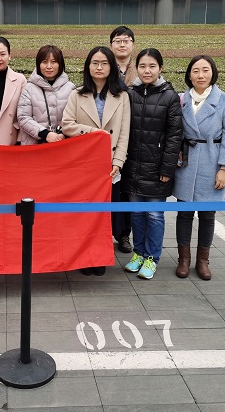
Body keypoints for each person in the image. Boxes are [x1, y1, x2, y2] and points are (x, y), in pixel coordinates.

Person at [62, 46, 131, 276]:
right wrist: (94, 133)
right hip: (84, 165)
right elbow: (67, 124)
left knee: (104, 215)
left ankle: (99, 257)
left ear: (112, 67)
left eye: (104, 63)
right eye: (95, 63)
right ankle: (84, 257)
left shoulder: (122, 96)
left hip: (109, 165)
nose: (99, 67)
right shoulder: (77, 94)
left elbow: (124, 133)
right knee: (85, 215)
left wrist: (118, 161)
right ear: (88, 66)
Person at [173, 55, 225, 280]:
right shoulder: (180, 99)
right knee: (184, 213)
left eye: (205, 70)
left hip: (212, 161)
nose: (200, 75)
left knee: (207, 214)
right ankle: (183, 260)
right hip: (186, 162)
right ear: (189, 75)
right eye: (195, 70)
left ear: (213, 73)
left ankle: (203, 261)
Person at [121, 48, 183, 279]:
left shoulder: (170, 97)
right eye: (143, 66)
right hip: (133, 166)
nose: (147, 71)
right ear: (136, 68)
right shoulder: (129, 94)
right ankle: (138, 253)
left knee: (155, 215)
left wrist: (167, 168)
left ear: (160, 68)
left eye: (152, 66)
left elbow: (175, 136)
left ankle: (152, 258)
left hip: (157, 169)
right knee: (136, 214)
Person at [109, 25, 136, 253]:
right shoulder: (104, 68)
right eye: (118, 40)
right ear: (111, 45)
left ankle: (124, 234)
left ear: (132, 45)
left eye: (126, 40)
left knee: (127, 190)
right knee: (110, 189)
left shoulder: (143, 68)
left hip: (135, 139)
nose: (122, 44)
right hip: (110, 140)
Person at [17, 45, 75, 145]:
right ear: (38, 64)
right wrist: (44, 133)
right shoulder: (29, 88)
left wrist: (63, 133)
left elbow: (76, 117)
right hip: (35, 146)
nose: (49, 66)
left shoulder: (70, 88)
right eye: (44, 62)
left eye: (53, 62)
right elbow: (23, 117)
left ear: (60, 64)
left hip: (64, 144)